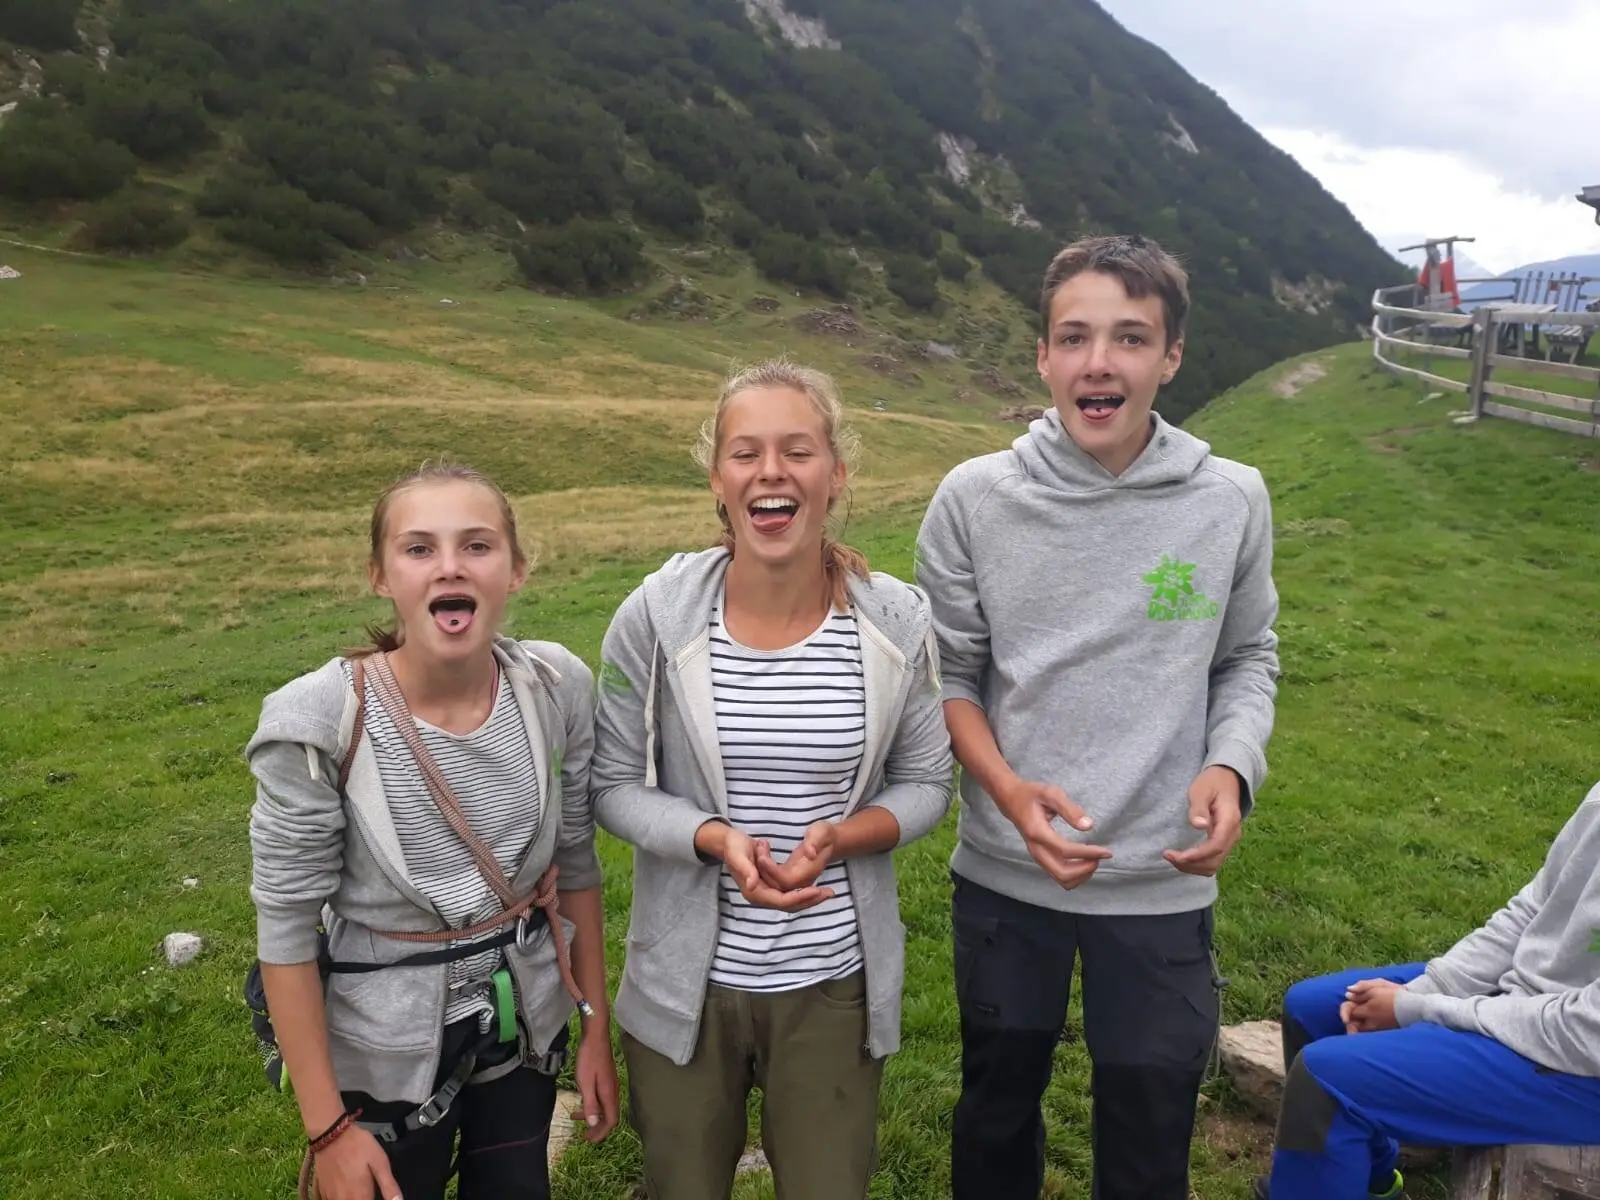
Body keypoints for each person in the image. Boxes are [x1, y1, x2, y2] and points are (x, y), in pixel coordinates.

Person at [915, 233, 1281, 1199]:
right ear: (1042, 357)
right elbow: (948, 674)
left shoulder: (1230, 501)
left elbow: (1245, 656)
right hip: (1006, 878)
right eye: (1073, 337)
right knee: (996, 1114)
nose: (1098, 362)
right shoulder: (974, 498)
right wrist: (1002, 789)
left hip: (1162, 879)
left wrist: (1231, 765)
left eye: (1129, 337)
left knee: (1152, 1126)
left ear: (1170, 356)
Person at [591, 360, 954, 1200]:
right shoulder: (654, 615)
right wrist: (714, 838)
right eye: (745, 452)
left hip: (833, 980)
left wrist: (841, 835)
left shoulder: (896, 618)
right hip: (686, 982)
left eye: (798, 450)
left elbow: (929, 782)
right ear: (718, 478)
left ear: (836, 473)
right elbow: (611, 784)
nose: (771, 472)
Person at [246, 462, 618, 1200]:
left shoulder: (556, 688)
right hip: (380, 1053)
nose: (450, 565)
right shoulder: (318, 722)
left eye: (477, 546)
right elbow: (285, 930)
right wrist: (327, 1132)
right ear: (381, 574)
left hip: (524, 1030)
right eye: (419, 549)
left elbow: (576, 865)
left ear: (515, 569)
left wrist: (594, 1031)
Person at [1256, 780, 1600, 1200]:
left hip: (1580, 1065)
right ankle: (1369, 1184)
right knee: (1312, 1010)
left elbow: (1587, 1032)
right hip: (1533, 1002)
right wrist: (1429, 989)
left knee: (1325, 1082)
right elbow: (1535, 906)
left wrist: (1418, 1011)